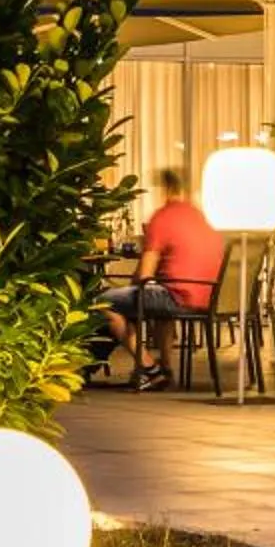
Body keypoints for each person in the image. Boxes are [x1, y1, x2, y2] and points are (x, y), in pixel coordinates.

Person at [95, 166, 227, 391]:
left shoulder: (163, 218)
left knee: (104, 302)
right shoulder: (201, 218)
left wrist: (133, 286)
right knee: (149, 300)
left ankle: (149, 369)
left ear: (165, 189)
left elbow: (145, 274)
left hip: (177, 296)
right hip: (208, 295)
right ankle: (165, 368)